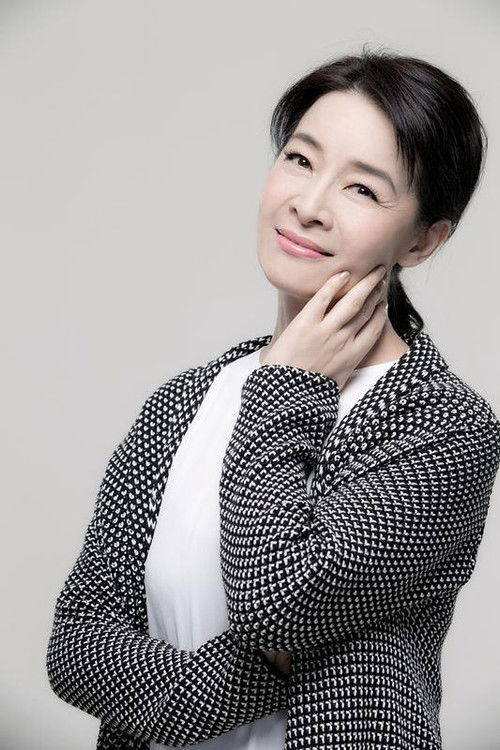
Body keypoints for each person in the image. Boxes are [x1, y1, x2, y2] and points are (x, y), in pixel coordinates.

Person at [46, 46, 500, 750]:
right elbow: (77, 647)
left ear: (423, 241)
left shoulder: (446, 426)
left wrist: (289, 384)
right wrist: (256, 672)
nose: (308, 206)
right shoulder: (184, 403)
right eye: (300, 159)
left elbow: (278, 603)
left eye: (362, 190)